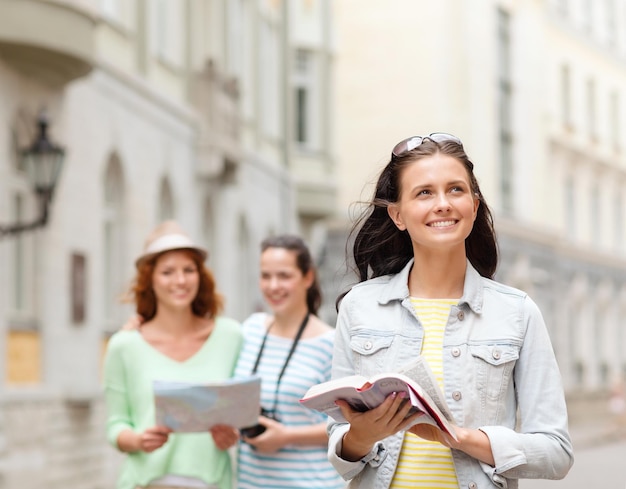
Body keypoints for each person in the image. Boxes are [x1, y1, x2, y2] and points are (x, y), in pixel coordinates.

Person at [327, 133, 574, 488]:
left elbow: (556, 452)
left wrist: (458, 436)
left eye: (455, 190)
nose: (442, 203)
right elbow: (340, 446)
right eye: (424, 192)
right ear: (397, 214)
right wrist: (360, 437)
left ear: (473, 206)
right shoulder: (359, 307)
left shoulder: (517, 312)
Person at [103, 221, 243, 489]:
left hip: (213, 482)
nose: (180, 281)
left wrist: (232, 434)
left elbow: (245, 411)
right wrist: (138, 440)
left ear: (200, 276)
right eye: (168, 272)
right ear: (150, 279)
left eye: (188, 270)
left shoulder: (231, 336)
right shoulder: (124, 346)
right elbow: (115, 425)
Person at [234, 234, 345, 489]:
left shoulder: (331, 343)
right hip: (250, 483)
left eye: (284, 276)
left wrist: (287, 437)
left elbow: (348, 424)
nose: (273, 286)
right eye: (266, 276)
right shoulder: (249, 330)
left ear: (307, 277)